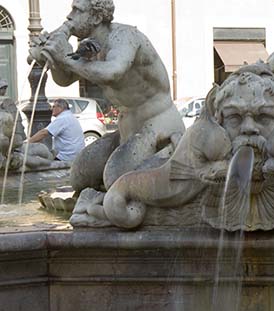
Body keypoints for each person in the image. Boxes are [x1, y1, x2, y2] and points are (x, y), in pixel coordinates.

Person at [28, 0, 185, 190]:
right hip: (126, 131)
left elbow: (113, 71)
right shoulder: (91, 46)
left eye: (77, 10)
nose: (69, 16)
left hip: (159, 126)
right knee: (80, 175)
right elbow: (65, 79)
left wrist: (64, 59)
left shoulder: (124, 36)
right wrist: (52, 58)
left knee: (115, 179)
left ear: (96, 17)